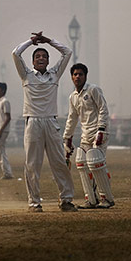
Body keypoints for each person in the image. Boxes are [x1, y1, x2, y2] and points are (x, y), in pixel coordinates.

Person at [13, 31, 76, 212]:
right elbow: (15, 53)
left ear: (48, 61)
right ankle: (34, 203)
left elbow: (67, 52)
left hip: (51, 121)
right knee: (32, 164)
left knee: (59, 162)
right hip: (32, 122)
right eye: (37, 56)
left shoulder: (54, 74)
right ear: (32, 61)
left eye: (44, 56)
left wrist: (49, 41)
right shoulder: (26, 75)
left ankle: (66, 200)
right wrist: (31, 41)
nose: (41, 59)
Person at [63, 63, 115, 209]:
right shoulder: (73, 97)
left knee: (97, 164)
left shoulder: (93, 90)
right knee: (82, 164)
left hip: (99, 132)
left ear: (85, 76)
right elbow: (72, 118)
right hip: (86, 134)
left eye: (80, 74)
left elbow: (103, 109)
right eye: (75, 74)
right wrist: (68, 138)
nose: (77, 77)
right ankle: (91, 200)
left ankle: (106, 198)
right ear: (72, 77)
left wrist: (101, 129)